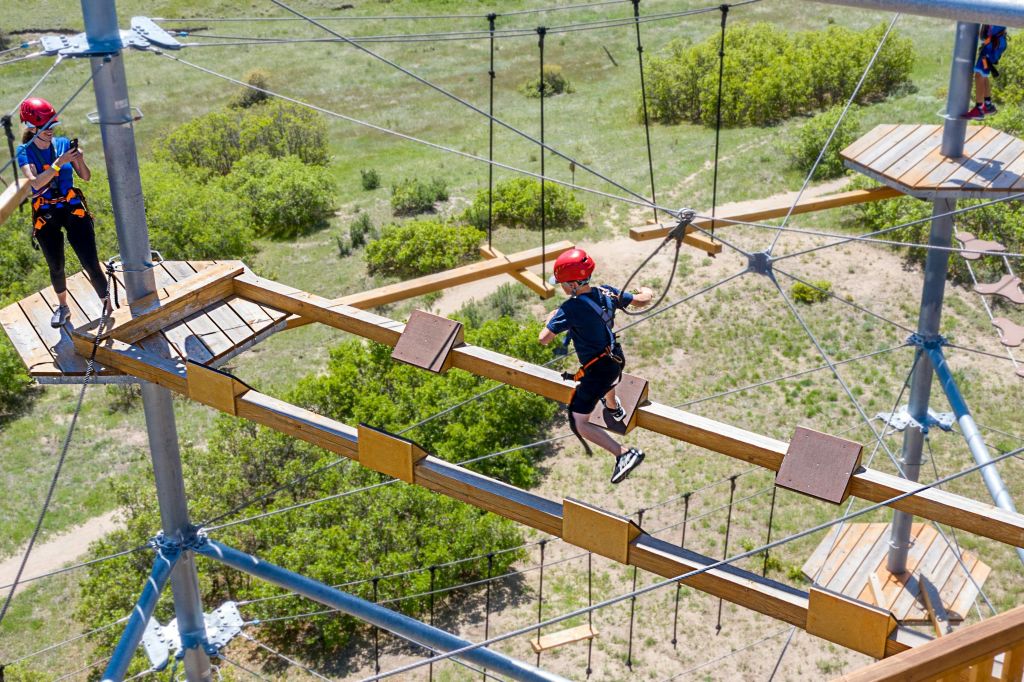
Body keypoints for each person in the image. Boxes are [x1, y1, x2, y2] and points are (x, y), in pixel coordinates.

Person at [538, 248, 654, 484]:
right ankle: (614, 408)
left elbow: (544, 338)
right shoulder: (606, 292)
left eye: (562, 283)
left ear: (572, 285)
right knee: (608, 383)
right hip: (615, 359)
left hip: (597, 369)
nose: (561, 287)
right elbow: (641, 300)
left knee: (579, 422)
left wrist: (552, 317)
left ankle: (623, 454)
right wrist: (646, 291)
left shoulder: (569, 309)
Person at [17, 97, 108, 328]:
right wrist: (59, 163)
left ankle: (107, 305)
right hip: (46, 212)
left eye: (52, 126)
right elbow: (35, 184)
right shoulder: (24, 152)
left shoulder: (63, 144)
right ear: (31, 127)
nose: (50, 131)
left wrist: (79, 159)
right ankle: (63, 306)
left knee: (90, 261)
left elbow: (85, 177)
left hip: (71, 208)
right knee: (56, 265)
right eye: (45, 128)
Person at [964, 25, 1008, 120]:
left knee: (979, 75)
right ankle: (988, 105)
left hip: (993, 45)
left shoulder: (996, 12)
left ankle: (978, 109)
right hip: (995, 43)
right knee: (983, 75)